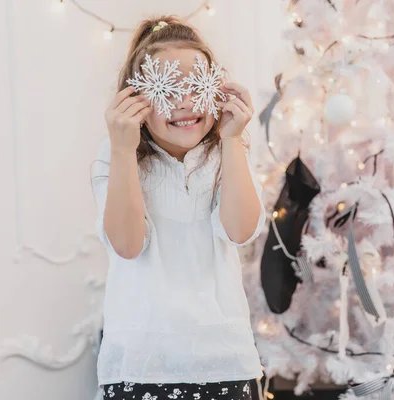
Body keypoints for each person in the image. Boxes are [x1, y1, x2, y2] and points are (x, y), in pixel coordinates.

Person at [91, 15, 266, 400]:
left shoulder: (227, 154)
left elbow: (239, 230)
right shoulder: (116, 158)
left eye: (195, 87)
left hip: (225, 361)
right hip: (139, 364)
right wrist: (122, 149)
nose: (184, 103)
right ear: (135, 100)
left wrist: (232, 140)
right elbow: (127, 244)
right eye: (165, 88)